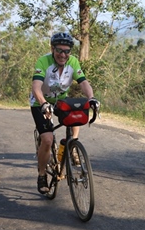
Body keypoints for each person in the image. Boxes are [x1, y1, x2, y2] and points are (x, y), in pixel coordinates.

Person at [30, 32, 100, 194]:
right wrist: (43, 104)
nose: (63, 54)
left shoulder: (73, 62)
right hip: (40, 102)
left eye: (67, 51)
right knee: (47, 139)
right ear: (52, 49)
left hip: (61, 100)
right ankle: (42, 175)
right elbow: (36, 86)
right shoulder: (43, 61)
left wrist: (92, 98)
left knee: (77, 114)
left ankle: (71, 146)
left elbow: (83, 83)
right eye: (59, 50)